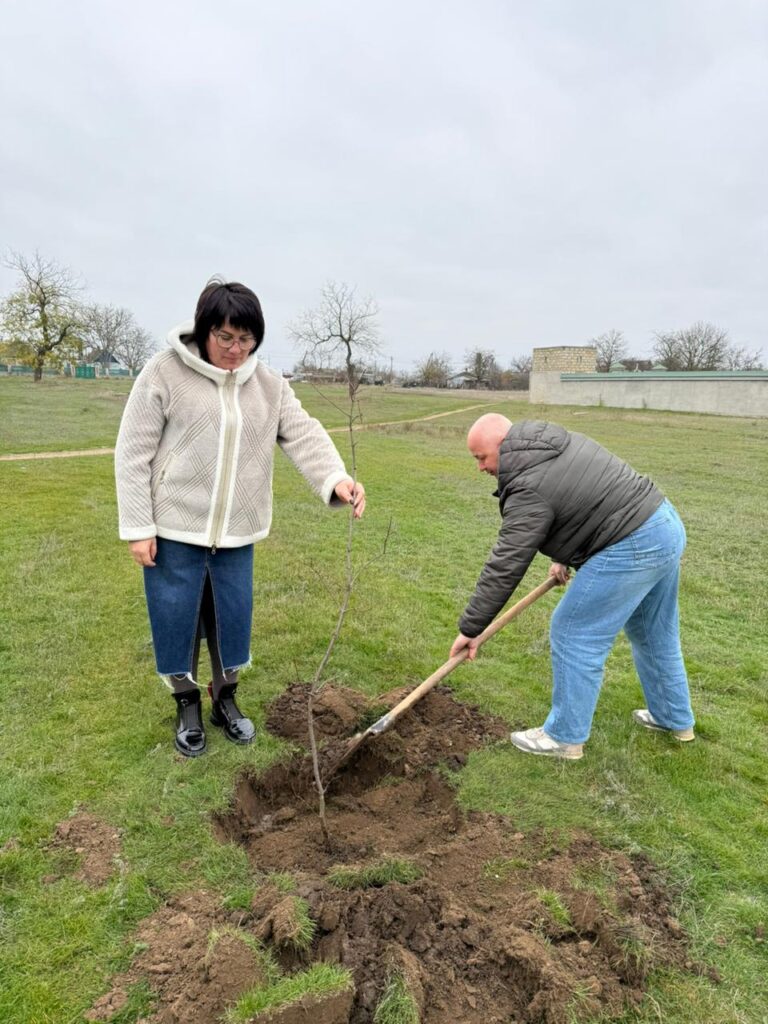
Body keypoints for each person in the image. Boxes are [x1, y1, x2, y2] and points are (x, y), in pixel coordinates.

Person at [115, 279, 365, 757]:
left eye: (246, 340)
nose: (236, 349)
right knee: (177, 620)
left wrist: (336, 478)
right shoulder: (164, 372)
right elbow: (133, 452)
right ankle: (186, 703)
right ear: (205, 329)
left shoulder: (269, 385)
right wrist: (138, 527)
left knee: (231, 621)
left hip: (237, 533)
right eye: (225, 337)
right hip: (173, 529)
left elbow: (303, 433)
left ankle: (224, 699)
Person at [449, 414, 694, 761]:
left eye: (481, 457)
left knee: (574, 631)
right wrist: (566, 555)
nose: (480, 467)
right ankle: (674, 719)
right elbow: (582, 496)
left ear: (503, 445)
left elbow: (506, 563)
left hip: (633, 541)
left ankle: (564, 737)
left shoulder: (527, 485)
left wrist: (471, 628)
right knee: (653, 633)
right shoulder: (550, 441)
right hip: (662, 524)